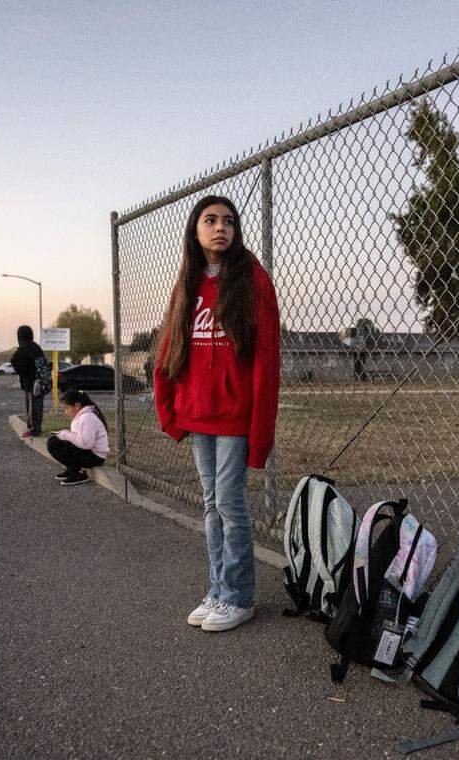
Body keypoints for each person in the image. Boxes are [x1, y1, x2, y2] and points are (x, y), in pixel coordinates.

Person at [154, 195, 281, 633]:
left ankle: (239, 597)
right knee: (211, 505)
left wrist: (261, 431)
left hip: (234, 413)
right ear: (195, 230)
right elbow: (169, 348)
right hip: (197, 411)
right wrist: (169, 409)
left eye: (228, 221)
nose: (220, 227)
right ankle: (218, 589)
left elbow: (267, 359)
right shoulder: (187, 284)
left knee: (230, 503)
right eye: (210, 220)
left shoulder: (253, 280)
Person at [46, 389, 109, 486]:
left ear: (77, 405)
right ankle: (73, 469)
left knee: (54, 444)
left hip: (95, 457)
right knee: (53, 441)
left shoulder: (87, 418)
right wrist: (65, 435)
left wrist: (66, 435)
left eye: (67, 408)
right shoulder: (81, 416)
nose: (65, 412)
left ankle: (79, 473)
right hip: (89, 453)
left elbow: (86, 444)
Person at [10, 325, 46, 439]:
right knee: (37, 405)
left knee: (32, 406)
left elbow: (14, 360)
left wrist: (22, 372)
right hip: (39, 382)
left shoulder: (25, 348)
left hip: (31, 383)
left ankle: (34, 429)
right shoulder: (36, 347)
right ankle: (35, 428)